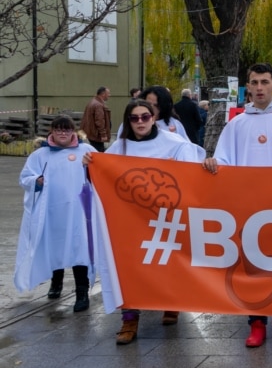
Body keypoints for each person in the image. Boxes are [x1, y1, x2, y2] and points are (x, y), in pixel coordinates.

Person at [202, 63, 272, 348]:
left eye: (265, 82)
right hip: (247, 207)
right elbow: (225, 159)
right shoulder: (236, 124)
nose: (259, 87)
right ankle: (256, 322)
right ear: (247, 88)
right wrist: (215, 163)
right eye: (254, 82)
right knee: (251, 265)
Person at [84, 100, 204, 344]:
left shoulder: (174, 144)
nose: (140, 122)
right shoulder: (119, 148)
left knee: (167, 262)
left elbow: (192, 171)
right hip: (130, 220)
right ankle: (129, 318)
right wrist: (90, 167)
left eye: (145, 116)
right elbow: (102, 177)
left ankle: (171, 303)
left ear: (153, 117)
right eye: (134, 118)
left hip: (165, 217)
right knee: (128, 268)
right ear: (127, 121)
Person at [15, 115, 95, 313]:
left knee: (79, 249)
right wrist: (36, 181)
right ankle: (56, 282)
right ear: (51, 131)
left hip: (77, 211)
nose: (62, 133)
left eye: (66, 130)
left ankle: (82, 292)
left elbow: (102, 170)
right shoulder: (40, 155)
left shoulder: (86, 151)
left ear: (73, 132)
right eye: (58, 129)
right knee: (55, 246)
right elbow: (25, 178)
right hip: (51, 210)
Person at [81, 86, 111, 152]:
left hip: (92, 134)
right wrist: (103, 134)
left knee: (95, 150)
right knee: (99, 153)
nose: (109, 95)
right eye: (108, 93)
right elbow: (100, 121)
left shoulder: (93, 102)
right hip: (96, 135)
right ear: (103, 94)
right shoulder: (98, 105)